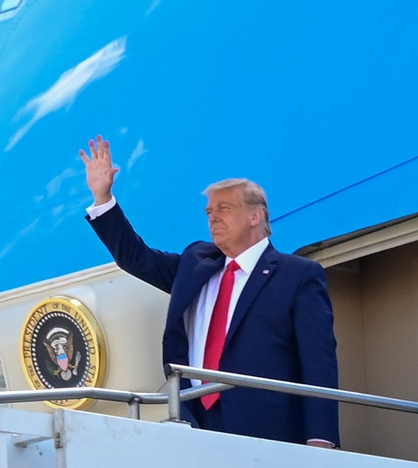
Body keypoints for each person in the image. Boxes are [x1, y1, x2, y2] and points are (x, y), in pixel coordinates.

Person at [79, 135, 340, 447]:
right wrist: (103, 198)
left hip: (270, 433)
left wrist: (321, 438)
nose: (213, 217)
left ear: (255, 216)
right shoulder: (196, 265)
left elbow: (318, 361)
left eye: (224, 208)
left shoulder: (297, 275)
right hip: (195, 425)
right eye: (209, 211)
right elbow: (137, 258)